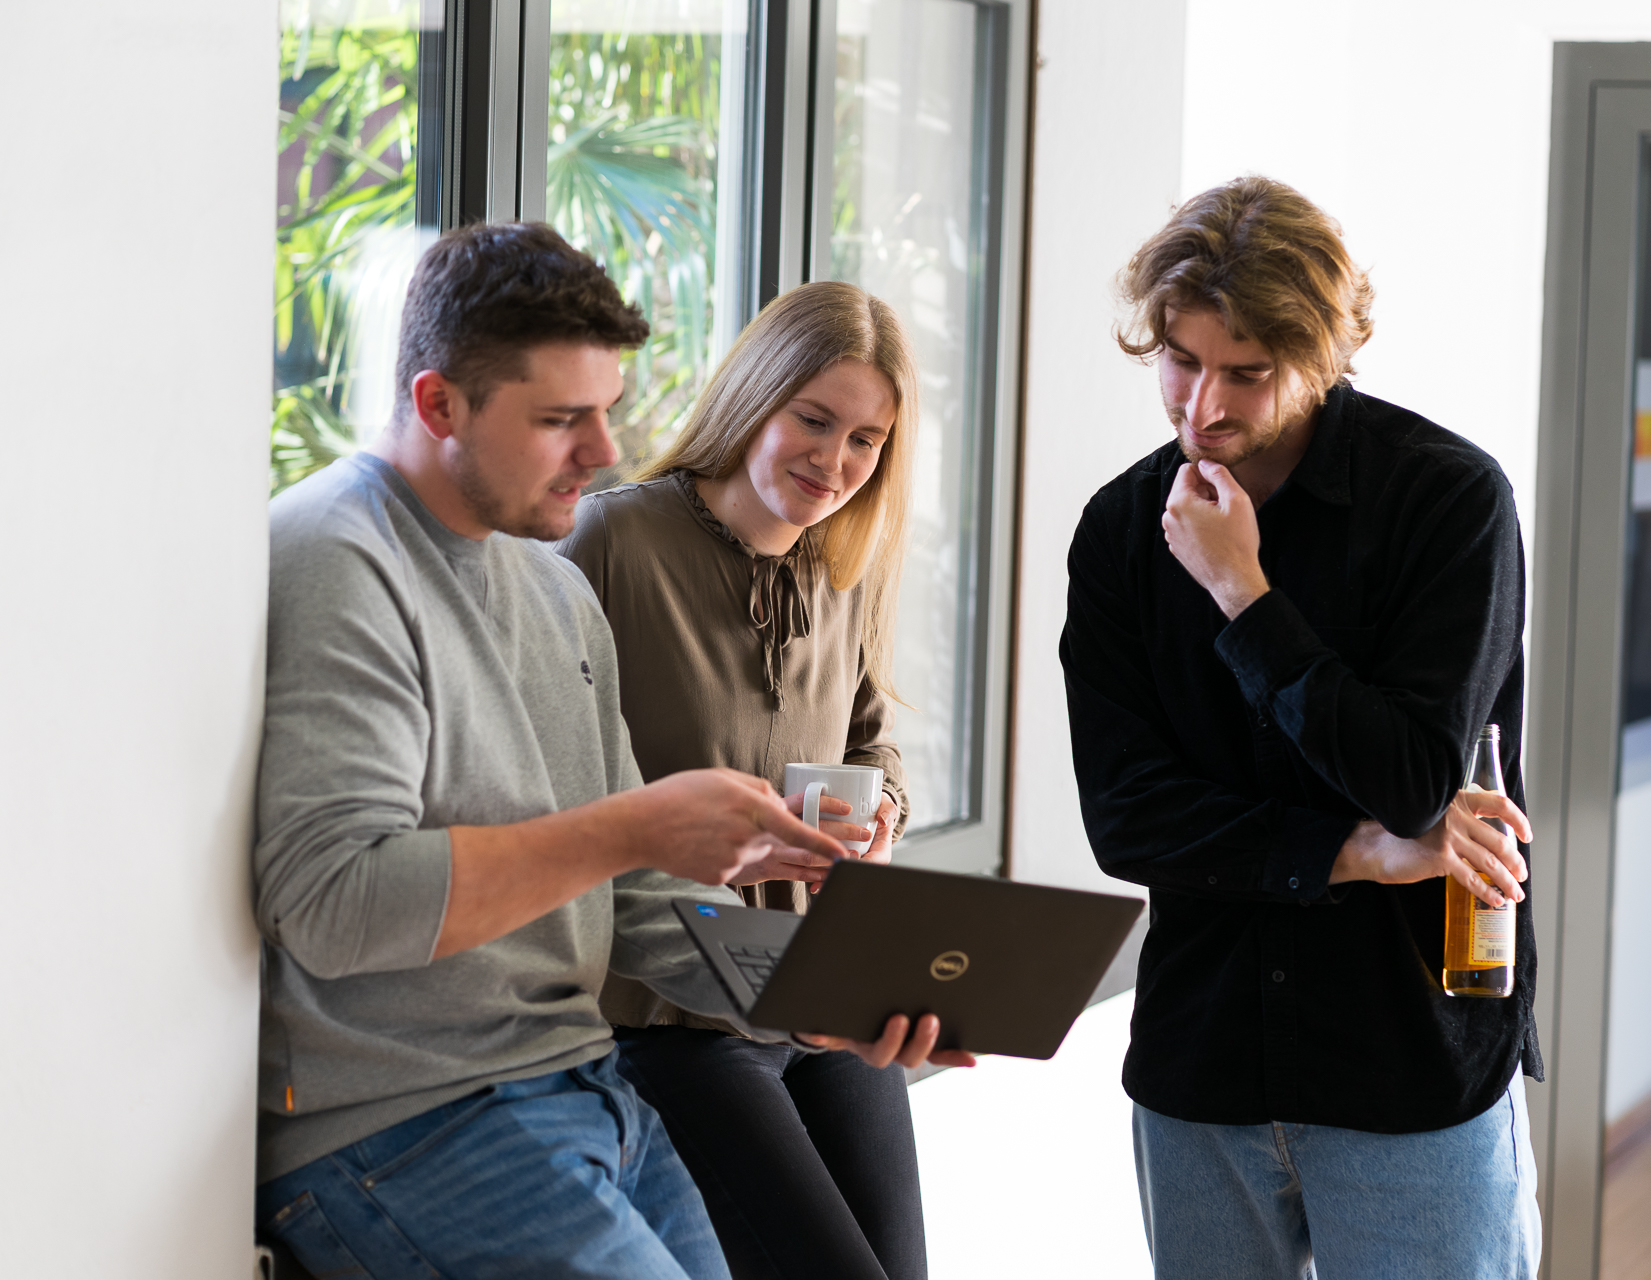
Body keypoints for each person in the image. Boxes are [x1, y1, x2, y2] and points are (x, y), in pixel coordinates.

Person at [252, 222, 951, 1280]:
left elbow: (629, 904)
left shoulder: (552, 588)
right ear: (440, 404)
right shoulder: (337, 557)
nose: (605, 452)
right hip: (405, 1126)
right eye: (560, 419)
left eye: (606, 413)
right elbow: (331, 899)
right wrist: (634, 825)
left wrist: (827, 1007)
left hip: (583, 1089)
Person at [1060, 176, 1544, 1279]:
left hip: (1409, 1062)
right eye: (1182, 361)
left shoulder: (1450, 500)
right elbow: (1128, 818)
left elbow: (1416, 778)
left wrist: (1246, 598)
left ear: (1324, 358)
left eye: (1247, 373)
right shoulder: (1121, 529)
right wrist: (1357, 850)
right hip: (1203, 1065)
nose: (1202, 409)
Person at [557, 280, 942, 1280]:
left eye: (867, 441)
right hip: (674, 1013)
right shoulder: (612, 541)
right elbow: (537, 774)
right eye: (813, 420)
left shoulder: (840, 571)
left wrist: (883, 813)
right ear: (751, 399)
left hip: (819, 986)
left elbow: (869, 740)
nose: (835, 461)